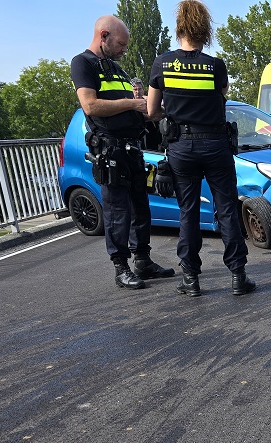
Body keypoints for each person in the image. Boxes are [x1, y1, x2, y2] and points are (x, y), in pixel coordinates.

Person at [147, 0, 256, 297]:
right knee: (227, 210)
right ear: (205, 29)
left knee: (188, 212)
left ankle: (191, 280)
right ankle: (237, 276)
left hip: (181, 147)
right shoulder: (214, 65)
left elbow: (152, 110)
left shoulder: (162, 63)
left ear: (179, 27)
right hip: (215, 145)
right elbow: (222, 98)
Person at [70, 16, 175, 290]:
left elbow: (134, 108)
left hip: (132, 149)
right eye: (121, 44)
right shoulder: (82, 63)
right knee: (118, 212)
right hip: (110, 150)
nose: (124, 50)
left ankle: (143, 261)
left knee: (141, 209)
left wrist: (148, 108)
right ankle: (121, 267)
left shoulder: (116, 68)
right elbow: (90, 106)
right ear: (103, 35)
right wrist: (133, 103)